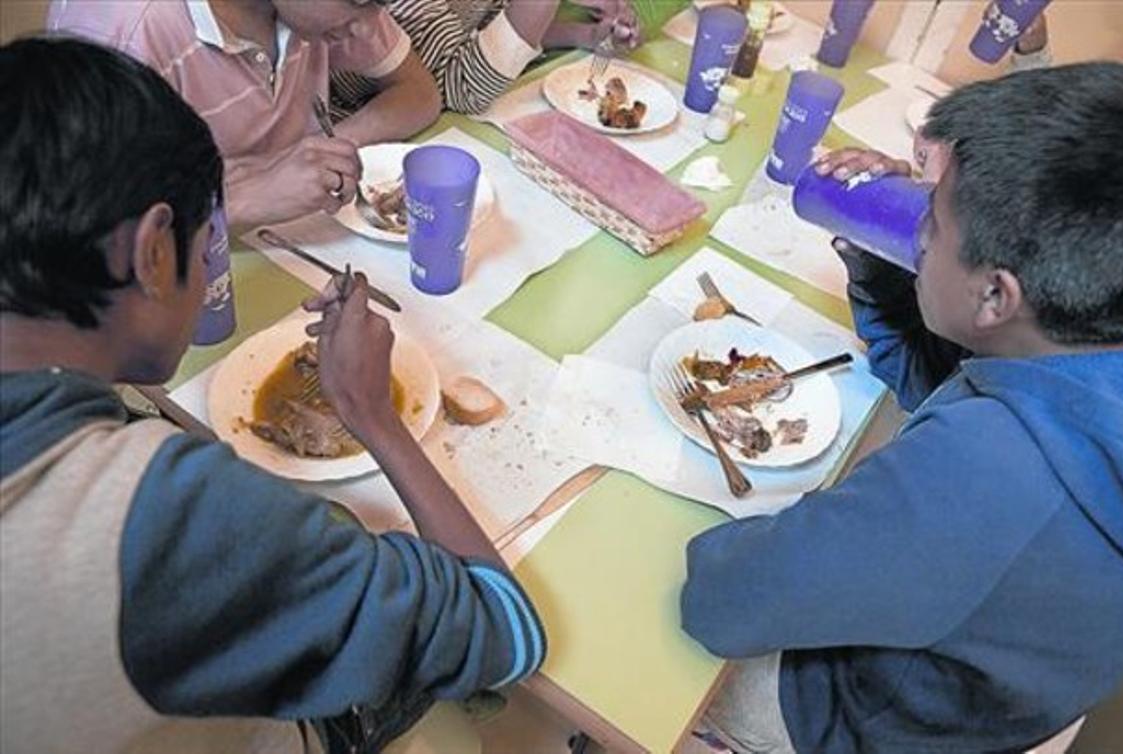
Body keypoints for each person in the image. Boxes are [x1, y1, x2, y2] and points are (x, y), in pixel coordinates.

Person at [0, 37, 543, 754]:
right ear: (154, 252)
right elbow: (504, 629)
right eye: (210, 244)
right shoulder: (162, 516)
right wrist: (373, 415)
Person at [681, 62, 1123, 753]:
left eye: (933, 221)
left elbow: (722, 603)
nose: (918, 226)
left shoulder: (988, 473)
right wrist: (886, 249)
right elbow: (928, 381)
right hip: (981, 697)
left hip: (858, 721)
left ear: (996, 296)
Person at [47, 0, 443, 231]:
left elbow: (419, 93)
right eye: (357, 2)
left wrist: (328, 149)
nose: (368, 27)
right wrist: (239, 198)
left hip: (293, 241)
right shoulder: (123, 30)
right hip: (189, 280)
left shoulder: (323, 15)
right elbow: (85, 224)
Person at [331, 0, 645, 116]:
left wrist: (583, 35)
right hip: (358, 138)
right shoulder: (388, 12)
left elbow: (489, 22)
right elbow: (460, 87)